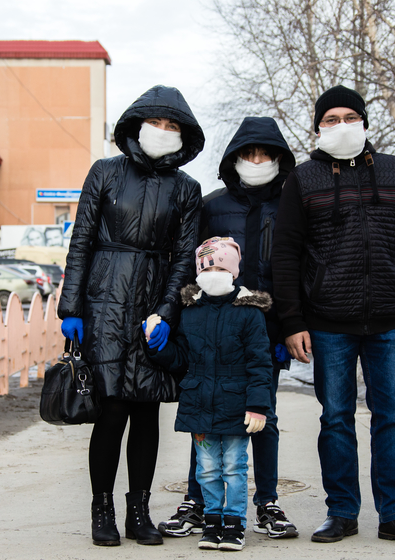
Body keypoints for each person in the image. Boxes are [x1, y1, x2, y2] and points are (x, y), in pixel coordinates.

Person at [271, 85, 395, 546]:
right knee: (336, 419)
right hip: (327, 322)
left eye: (349, 116)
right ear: (318, 128)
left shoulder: (394, 171)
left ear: (364, 122)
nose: (341, 125)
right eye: (331, 119)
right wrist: (292, 321)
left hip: (387, 319)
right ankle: (342, 512)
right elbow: (284, 254)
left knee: (392, 420)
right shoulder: (303, 179)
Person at [57, 85, 204, 547]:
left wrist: (166, 311)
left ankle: (139, 511)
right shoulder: (104, 172)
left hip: (154, 304)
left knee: (146, 411)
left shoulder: (187, 189)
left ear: (184, 136)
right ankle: (102, 510)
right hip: (104, 302)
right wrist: (71, 307)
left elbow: (184, 257)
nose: (162, 132)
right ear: (136, 126)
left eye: (172, 126)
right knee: (113, 408)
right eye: (156, 123)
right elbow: (80, 241)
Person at [158, 117, 298, 540]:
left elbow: (296, 267)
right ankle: (196, 501)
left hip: (264, 329)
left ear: (278, 159)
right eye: (248, 154)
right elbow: (193, 262)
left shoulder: (291, 204)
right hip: (212, 327)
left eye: (265, 154)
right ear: (234, 158)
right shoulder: (213, 205)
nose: (256, 161)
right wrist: (184, 318)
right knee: (207, 413)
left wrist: (288, 326)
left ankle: (267, 501)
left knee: (263, 416)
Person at [146, 237, 273, 551]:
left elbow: (260, 363)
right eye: (207, 266)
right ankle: (212, 520)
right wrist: (159, 347)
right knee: (207, 468)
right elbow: (184, 358)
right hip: (199, 404)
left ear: (233, 271)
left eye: (219, 266)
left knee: (234, 466)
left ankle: (234, 523)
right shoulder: (191, 311)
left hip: (235, 404)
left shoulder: (249, 312)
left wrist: (258, 405)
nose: (213, 272)